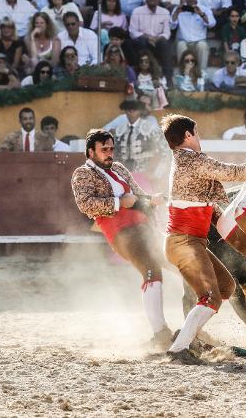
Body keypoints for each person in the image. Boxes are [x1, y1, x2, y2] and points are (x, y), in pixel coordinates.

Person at [160, 114, 246, 363]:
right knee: (211, 298)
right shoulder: (192, 161)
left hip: (190, 242)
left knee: (226, 287)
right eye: (197, 133)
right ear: (188, 136)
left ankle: (188, 338)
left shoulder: (185, 163)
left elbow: (215, 203)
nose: (199, 137)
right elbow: (233, 172)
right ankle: (179, 348)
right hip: (184, 243)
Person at [71, 129, 173, 349]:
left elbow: (136, 197)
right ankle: (160, 332)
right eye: (104, 149)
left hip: (144, 228)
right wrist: (118, 203)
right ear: (91, 152)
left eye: (111, 149)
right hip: (122, 233)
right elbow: (85, 204)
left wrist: (152, 199)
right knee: (151, 270)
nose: (109, 153)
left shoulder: (118, 168)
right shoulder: (82, 174)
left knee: (181, 262)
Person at [113, 99, 167, 179]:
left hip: (145, 172)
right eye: (128, 110)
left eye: (134, 110)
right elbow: (115, 153)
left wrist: (155, 171)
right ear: (125, 112)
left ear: (140, 111)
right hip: (124, 175)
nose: (131, 112)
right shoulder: (119, 130)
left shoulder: (150, 128)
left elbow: (163, 149)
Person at [130, 0, 174, 84]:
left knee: (165, 44)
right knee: (141, 41)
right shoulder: (137, 11)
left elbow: (167, 33)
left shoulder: (164, 12)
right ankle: (139, 78)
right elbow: (132, 31)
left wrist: (157, 38)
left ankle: (168, 79)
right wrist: (147, 37)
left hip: (158, 42)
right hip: (143, 41)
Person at [171, 0, 216, 71]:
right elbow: (171, 26)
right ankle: (183, 73)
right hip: (183, 40)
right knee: (180, 45)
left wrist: (201, 14)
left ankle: (202, 73)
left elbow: (212, 24)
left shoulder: (204, 9)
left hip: (199, 41)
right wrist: (176, 13)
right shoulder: (178, 9)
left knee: (202, 46)